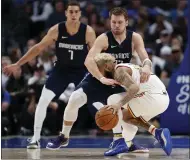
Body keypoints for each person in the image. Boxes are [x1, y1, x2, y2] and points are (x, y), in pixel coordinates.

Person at [46, 7, 151, 156]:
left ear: (126, 22)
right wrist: (101, 78)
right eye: (113, 22)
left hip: (119, 80)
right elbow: (88, 60)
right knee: (73, 100)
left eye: (120, 22)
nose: (116, 25)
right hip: (98, 78)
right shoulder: (104, 38)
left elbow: (144, 56)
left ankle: (127, 142)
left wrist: (147, 66)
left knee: (118, 111)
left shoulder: (134, 38)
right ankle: (64, 136)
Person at [3, 0, 96, 149]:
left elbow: (96, 55)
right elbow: (38, 48)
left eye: (76, 12)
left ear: (80, 14)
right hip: (61, 70)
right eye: (70, 12)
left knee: (96, 100)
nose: (73, 14)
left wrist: (101, 75)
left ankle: (119, 136)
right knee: (43, 101)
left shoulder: (88, 31)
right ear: (66, 13)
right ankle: (35, 138)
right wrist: (18, 64)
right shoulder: (57, 29)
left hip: (81, 70)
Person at [94, 53, 172, 156]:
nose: (98, 73)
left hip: (152, 97)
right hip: (162, 100)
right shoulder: (123, 68)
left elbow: (134, 89)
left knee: (112, 100)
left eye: (99, 69)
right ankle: (154, 133)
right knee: (126, 119)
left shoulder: (119, 72)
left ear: (107, 67)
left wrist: (119, 104)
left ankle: (118, 140)